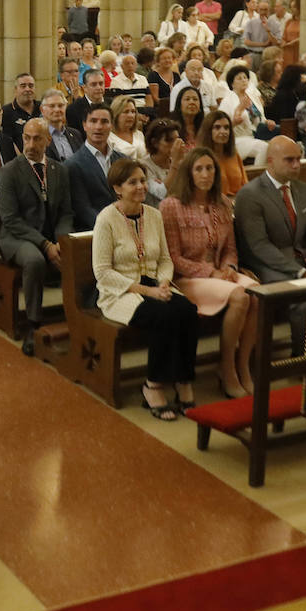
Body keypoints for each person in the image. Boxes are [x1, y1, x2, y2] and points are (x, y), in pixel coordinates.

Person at [94, 159, 200, 420]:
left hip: (156, 286)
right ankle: (152, 385)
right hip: (120, 292)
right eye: (133, 182)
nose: (141, 186)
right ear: (117, 188)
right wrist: (147, 291)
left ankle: (184, 380)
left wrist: (163, 282)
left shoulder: (153, 214)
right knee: (163, 316)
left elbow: (164, 259)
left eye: (143, 180)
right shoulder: (106, 218)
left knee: (188, 310)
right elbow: (103, 271)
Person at [161, 148, 259, 397]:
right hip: (188, 278)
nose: (206, 174)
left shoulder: (222, 203)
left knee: (258, 293)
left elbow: (230, 248)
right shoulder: (171, 206)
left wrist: (228, 267)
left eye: (210, 169)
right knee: (240, 295)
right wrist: (211, 273)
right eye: (199, 169)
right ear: (189, 173)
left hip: (220, 274)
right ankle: (226, 367)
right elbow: (173, 258)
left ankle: (243, 364)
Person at [234, 135, 306, 353]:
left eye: (298, 159)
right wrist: (301, 272)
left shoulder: (303, 189)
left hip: (305, 260)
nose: (296, 165)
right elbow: (259, 246)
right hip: (267, 265)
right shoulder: (250, 194)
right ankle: (302, 358)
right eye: (289, 160)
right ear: (271, 161)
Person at [0, 119, 74, 355]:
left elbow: (65, 212)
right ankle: (33, 323)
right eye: (27, 138)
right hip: (17, 237)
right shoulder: (10, 171)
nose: (31, 144)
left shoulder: (58, 170)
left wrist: (61, 242)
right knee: (35, 260)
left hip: (50, 236)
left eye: (37, 138)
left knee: (76, 252)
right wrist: (45, 244)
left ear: (47, 140)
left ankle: (78, 317)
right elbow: (10, 219)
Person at [67, 102, 122, 229]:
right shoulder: (73, 165)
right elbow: (83, 209)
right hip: (96, 231)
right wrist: (111, 228)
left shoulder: (123, 160)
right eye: (93, 121)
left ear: (111, 126)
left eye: (104, 122)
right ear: (84, 125)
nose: (98, 127)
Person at [219, 63, 271, 167]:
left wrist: (267, 122)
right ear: (232, 83)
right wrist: (240, 109)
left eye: (245, 78)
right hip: (237, 138)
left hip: (256, 136)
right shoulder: (227, 100)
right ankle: (255, 175)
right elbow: (223, 124)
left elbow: (260, 118)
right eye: (239, 78)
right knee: (264, 148)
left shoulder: (252, 97)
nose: (244, 80)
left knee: (278, 146)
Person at [200, 110, 246, 198]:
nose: (223, 132)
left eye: (226, 128)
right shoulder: (201, 158)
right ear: (208, 131)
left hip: (239, 203)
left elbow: (245, 184)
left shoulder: (234, 155)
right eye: (217, 127)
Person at [138, 118, 183, 205]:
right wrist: (175, 165)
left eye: (177, 139)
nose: (175, 144)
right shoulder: (143, 166)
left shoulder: (182, 163)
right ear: (155, 142)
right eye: (169, 140)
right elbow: (161, 194)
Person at [40, 90, 83, 161]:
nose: (57, 110)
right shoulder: (38, 136)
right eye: (52, 106)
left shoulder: (76, 134)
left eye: (60, 106)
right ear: (42, 110)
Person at [2, 73, 41, 151]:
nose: (27, 89)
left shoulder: (43, 107)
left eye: (31, 86)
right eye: (23, 86)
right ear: (15, 89)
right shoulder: (6, 112)